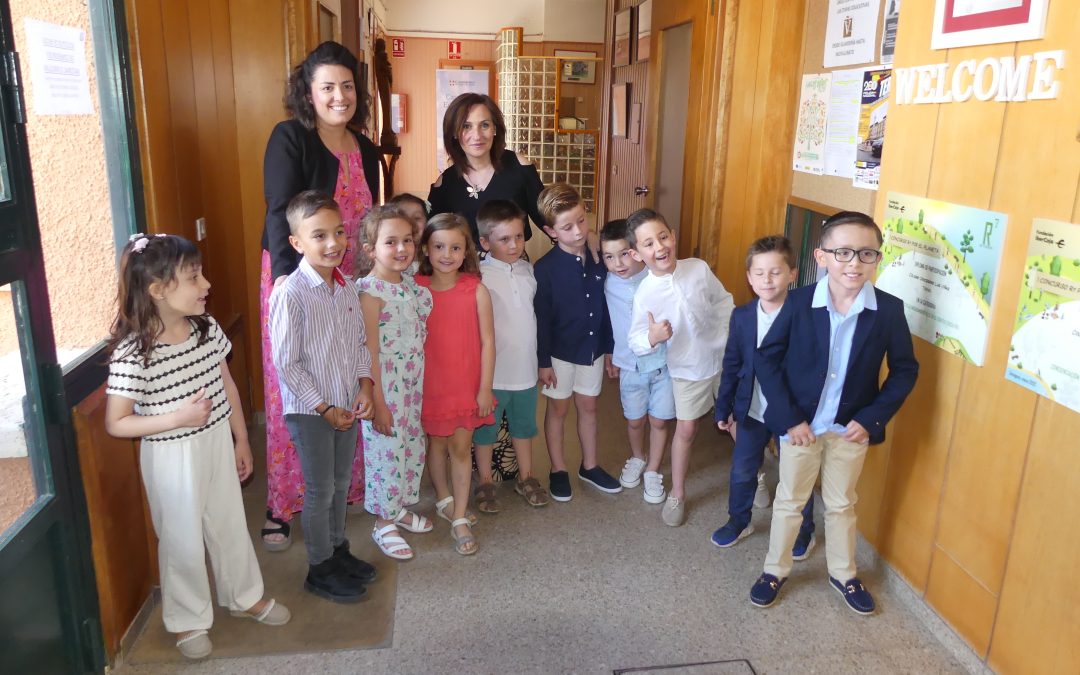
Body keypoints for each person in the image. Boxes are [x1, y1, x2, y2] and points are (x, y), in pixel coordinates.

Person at [105, 234, 290, 660]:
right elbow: (117, 422)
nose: (206, 284)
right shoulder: (136, 351)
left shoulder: (206, 328)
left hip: (214, 443)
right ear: (158, 291)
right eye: (194, 278)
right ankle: (187, 618)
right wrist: (176, 418)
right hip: (171, 455)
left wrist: (241, 439)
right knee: (181, 539)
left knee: (228, 524)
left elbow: (225, 383)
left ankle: (245, 596)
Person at [748, 211, 918, 615]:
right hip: (801, 427)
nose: (854, 263)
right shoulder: (799, 302)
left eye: (866, 253)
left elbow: (905, 369)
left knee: (842, 503)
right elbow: (767, 359)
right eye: (842, 252)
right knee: (791, 500)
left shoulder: (889, 310)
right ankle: (775, 569)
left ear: (878, 257)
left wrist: (873, 418)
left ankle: (844, 573)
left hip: (850, 430)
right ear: (821, 256)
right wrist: (789, 418)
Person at [260, 41, 381, 551]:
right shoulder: (291, 137)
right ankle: (284, 503)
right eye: (327, 86)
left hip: (347, 285)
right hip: (299, 282)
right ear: (308, 92)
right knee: (297, 389)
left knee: (346, 377)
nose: (339, 96)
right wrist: (287, 279)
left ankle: (342, 491)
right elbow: (277, 209)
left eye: (347, 86)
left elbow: (370, 221)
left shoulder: (368, 147)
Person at [268, 191, 377, 603]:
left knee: (339, 482)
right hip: (312, 411)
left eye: (338, 232)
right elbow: (287, 364)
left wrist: (365, 385)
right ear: (297, 242)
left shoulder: (345, 286)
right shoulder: (290, 293)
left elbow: (358, 344)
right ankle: (318, 566)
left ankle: (336, 550)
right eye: (319, 236)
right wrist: (324, 407)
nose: (333, 243)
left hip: (345, 403)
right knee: (319, 490)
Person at [626, 208, 734, 526]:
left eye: (662, 237)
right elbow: (635, 338)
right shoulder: (644, 292)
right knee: (686, 429)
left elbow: (723, 299)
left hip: (724, 361)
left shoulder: (698, 269)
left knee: (736, 420)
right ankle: (677, 493)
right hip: (687, 368)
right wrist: (652, 337)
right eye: (648, 244)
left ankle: (753, 476)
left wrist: (729, 335)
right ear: (636, 253)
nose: (659, 248)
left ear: (673, 236)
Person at [712, 236, 816, 557]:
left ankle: (804, 530)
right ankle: (739, 520)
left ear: (792, 275)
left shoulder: (806, 316)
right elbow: (732, 364)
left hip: (792, 414)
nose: (766, 280)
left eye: (775, 272)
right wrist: (724, 406)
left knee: (795, 474)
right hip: (752, 410)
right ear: (748, 276)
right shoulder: (742, 316)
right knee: (742, 469)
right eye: (758, 273)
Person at [415, 213, 496, 556]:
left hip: (465, 386)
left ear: (466, 251)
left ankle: (459, 516)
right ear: (426, 249)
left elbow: (489, 342)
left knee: (461, 450)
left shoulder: (475, 290)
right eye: (439, 247)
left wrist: (484, 388)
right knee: (435, 445)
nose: (447, 254)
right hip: (429, 386)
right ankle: (445, 499)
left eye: (455, 247)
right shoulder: (415, 289)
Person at [534, 183, 621, 502]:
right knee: (558, 409)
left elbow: (610, 307)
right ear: (550, 231)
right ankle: (558, 468)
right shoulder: (544, 270)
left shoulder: (602, 258)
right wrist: (543, 361)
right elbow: (541, 321)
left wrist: (611, 347)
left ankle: (590, 465)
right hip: (558, 355)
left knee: (589, 406)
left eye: (582, 221)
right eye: (567, 227)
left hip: (594, 350)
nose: (578, 231)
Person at [357, 205, 434, 560]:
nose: (402, 249)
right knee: (385, 453)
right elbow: (369, 350)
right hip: (386, 389)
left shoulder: (412, 288)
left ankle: (398, 506)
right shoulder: (371, 293)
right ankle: (382, 521)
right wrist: (379, 402)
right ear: (371, 249)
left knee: (410, 447)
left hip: (412, 388)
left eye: (407, 240)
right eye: (391, 242)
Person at [472, 200, 550, 513]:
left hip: (526, 371)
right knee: (486, 430)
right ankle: (486, 481)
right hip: (492, 374)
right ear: (485, 242)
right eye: (504, 239)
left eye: (519, 236)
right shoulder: (478, 276)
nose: (514, 244)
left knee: (524, 426)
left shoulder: (529, 271)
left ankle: (526, 476)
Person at [600, 219, 675, 505]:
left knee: (658, 420)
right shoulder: (608, 283)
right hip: (629, 365)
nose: (618, 263)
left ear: (636, 251)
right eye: (609, 256)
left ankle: (653, 470)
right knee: (634, 420)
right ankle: (638, 456)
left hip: (662, 364)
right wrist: (610, 353)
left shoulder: (655, 278)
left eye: (623, 254)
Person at [427, 92, 545, 245]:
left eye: (484, 125)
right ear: (454, 133)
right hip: (462, 267)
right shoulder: (445, 182)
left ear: (495, 129)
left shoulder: (518, 166)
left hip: (511, 266)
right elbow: (429, 236)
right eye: (466, 126)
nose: (477, 135)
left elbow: (548, 220)